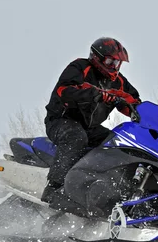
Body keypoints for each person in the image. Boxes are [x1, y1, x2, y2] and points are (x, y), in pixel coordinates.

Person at [41, 37, 141, 203]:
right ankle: (53, 188)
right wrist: (97, 95)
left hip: (89, 127)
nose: (114, 67)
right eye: (110, 61)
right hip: (60, 120)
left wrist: (141, 115)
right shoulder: (80, 68)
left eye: (117, 63)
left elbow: (133, 101)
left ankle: (108, 190)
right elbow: (64, 90)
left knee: (117, 143)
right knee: (76, 137)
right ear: (97, 57)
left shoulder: (119, 82)